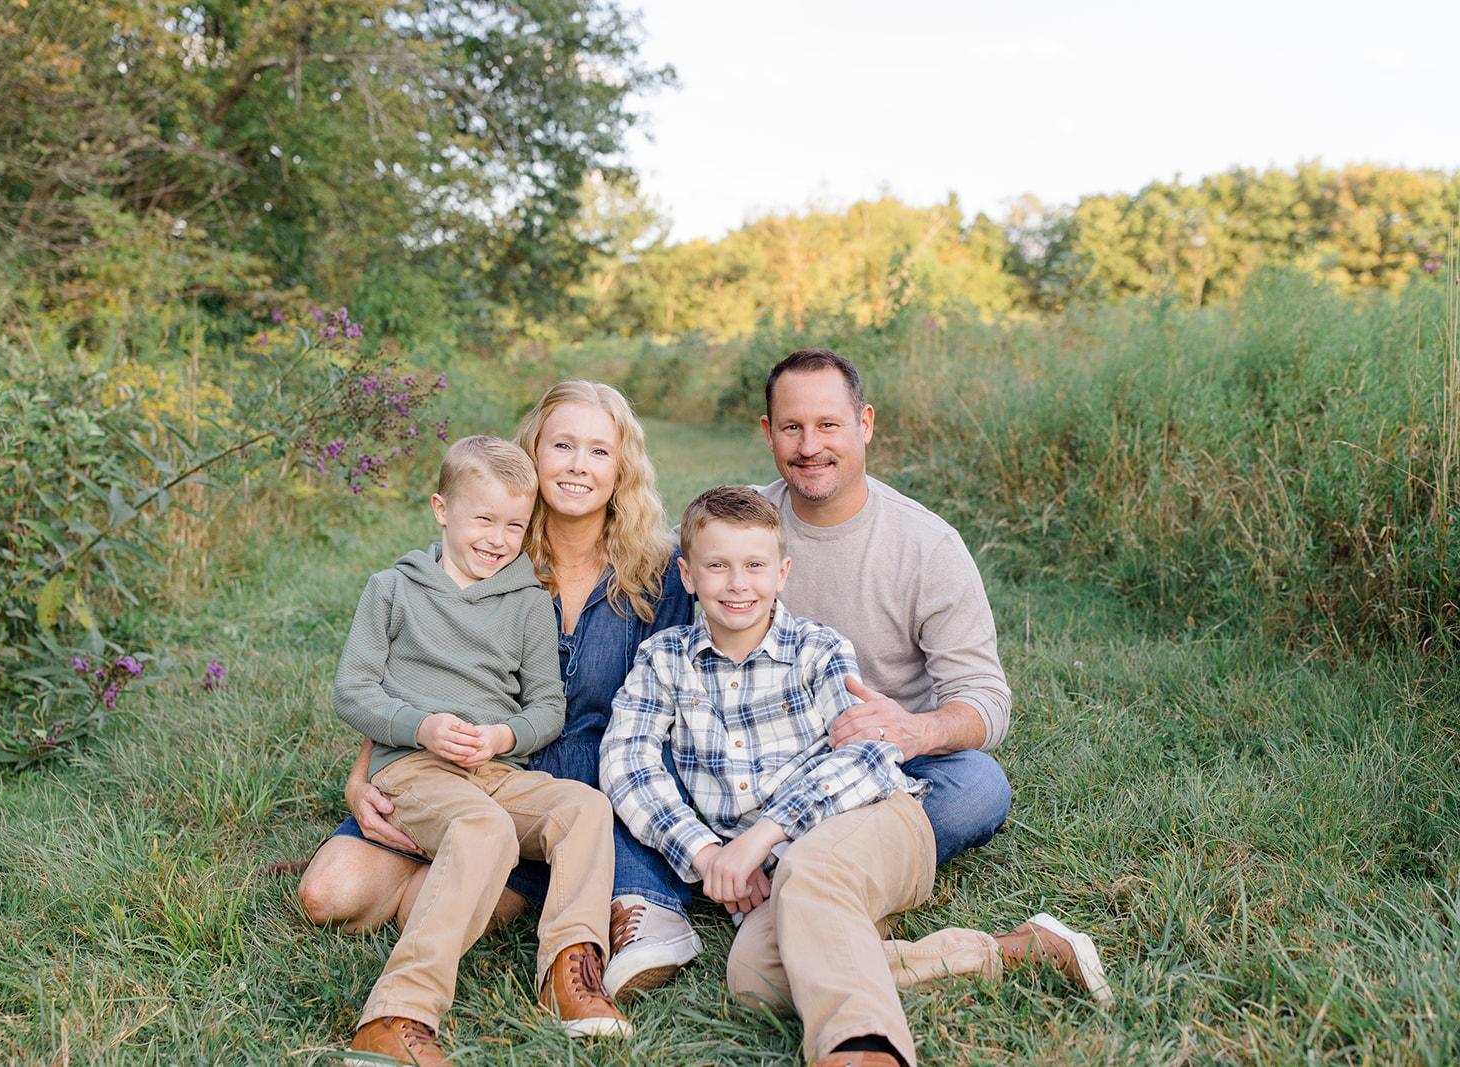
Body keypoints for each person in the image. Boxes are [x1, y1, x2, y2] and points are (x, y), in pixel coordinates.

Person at [600, 486, 1113, 1067]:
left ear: (782, 571)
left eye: (754, 565)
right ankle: (1018, 951)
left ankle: (861, 1049)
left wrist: (759, 839)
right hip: (770, 870)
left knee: (810, 865)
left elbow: (865, 755)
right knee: (756, 978)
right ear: (688, 576)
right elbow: (627, 759)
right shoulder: (663, 659)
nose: (737, 583)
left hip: (870, 821)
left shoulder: (818, 649)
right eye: (717, 566)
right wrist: (706, 854)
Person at [296, 382, 702, 1009]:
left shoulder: (659, 572)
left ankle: (557, 929)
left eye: (599, 451)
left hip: (566, 793)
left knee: (451, 896)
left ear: (623, 468)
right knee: (328, 894)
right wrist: (364, 771)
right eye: (561, 445)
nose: (577, 465)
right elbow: (415, 666)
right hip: (447, 768)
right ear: (531, 453)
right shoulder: (491, 547)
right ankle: (452, 876)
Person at [330, 434, 629, 1066]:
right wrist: (420, 726)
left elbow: (549, 707)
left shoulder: (526, 604)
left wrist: (502, 737)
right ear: (442, 510)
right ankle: (396, 1015)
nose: (497, 537)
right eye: (483, 519)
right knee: (483, 827)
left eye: (515, 525)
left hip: (493, 767)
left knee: (582, 808)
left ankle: (566, 975)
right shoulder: (392, 589)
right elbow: (353, 691)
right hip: (412, 768)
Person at [756, 349, 1014, 869]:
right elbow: (642, 561)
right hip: (761, 752)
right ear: (769, 432)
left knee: (978, 787)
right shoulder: (742, 523)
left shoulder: (928, 546)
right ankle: (829, 859)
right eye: (792, 427)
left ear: (865, 423)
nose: (810, 447)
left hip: (881, 766)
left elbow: (985, 699)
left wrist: (918, 731)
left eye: (828, 424)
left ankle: (784, 857)